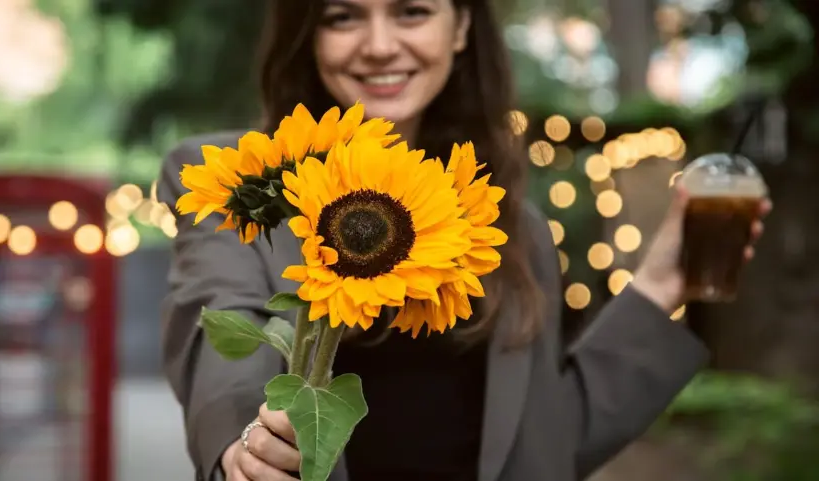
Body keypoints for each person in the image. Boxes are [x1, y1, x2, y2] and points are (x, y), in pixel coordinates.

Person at [156, 0, 771, 480]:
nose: (378, 45)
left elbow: (544, 448)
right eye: (342, 17)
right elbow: (222, 340)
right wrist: (246, 450)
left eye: (412, 11)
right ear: (308, 36)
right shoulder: (246, 185)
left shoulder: (507, 226)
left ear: (461, 27)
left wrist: (661, 284)